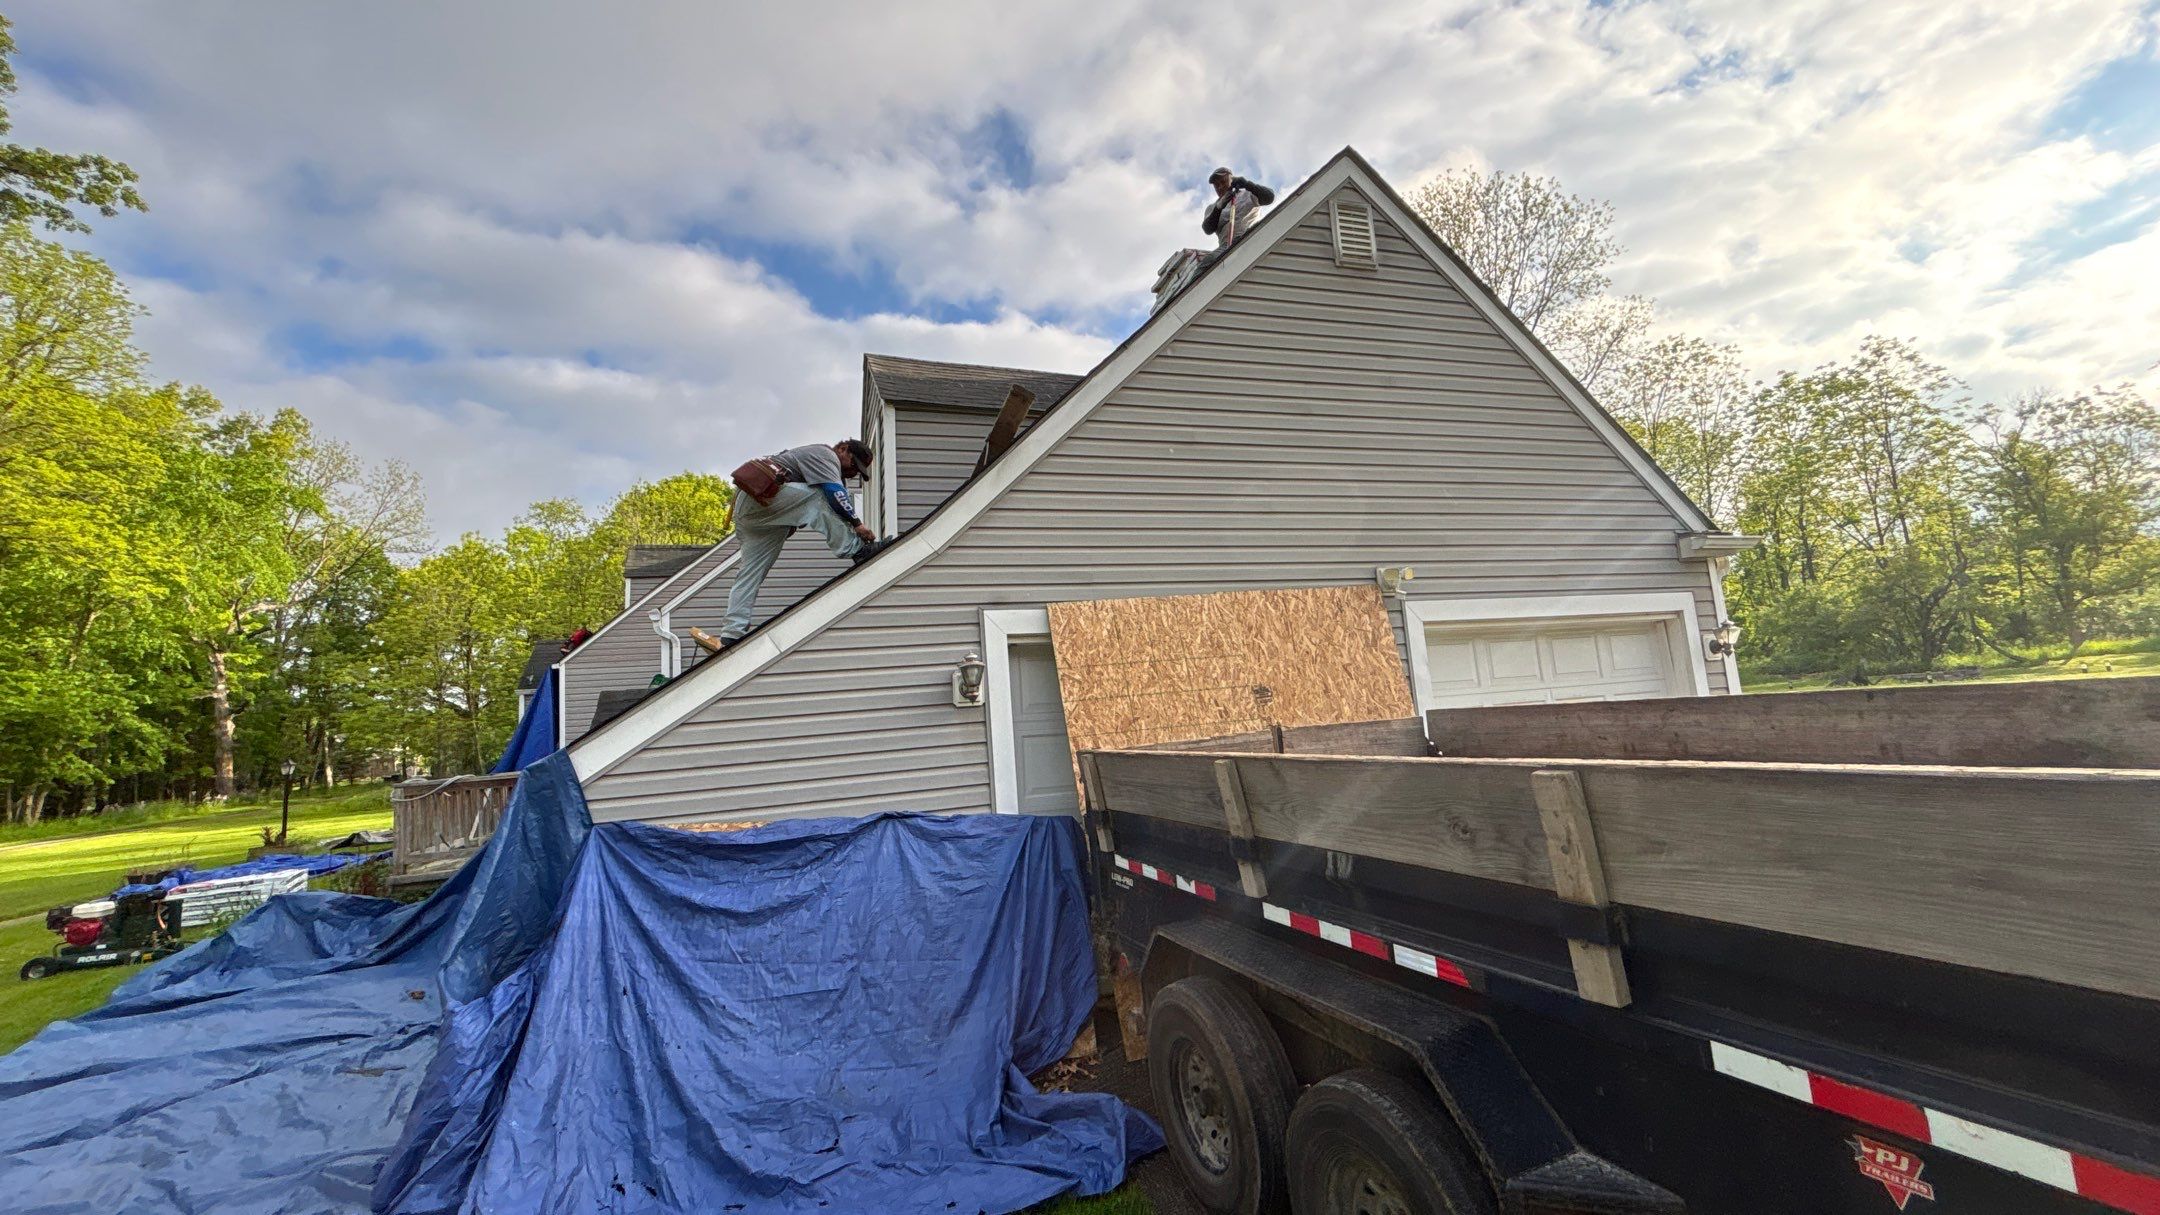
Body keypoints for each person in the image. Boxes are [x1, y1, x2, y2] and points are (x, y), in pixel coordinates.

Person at [720, 438, 886, 647]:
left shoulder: (822, 465)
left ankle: (731, 633)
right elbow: (834, 494)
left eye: (858, 472)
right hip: (760, 495)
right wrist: (858, 525)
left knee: (751, 572)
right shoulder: (826, 455)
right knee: (818, 497)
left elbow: (835, 508)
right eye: (854, 465)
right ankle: (859, 551)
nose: (853, 473)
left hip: (754, 513)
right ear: (843, 449)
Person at [1200, 167, 1275, 256]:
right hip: (1227, 246)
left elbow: (1270, 197)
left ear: (1232, 179)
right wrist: (1218, 208)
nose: (1220, 187)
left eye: (1223, 182)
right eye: (1216, 185)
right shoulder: (1212, 207)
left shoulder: (1248, 194)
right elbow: (1207, 229)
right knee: (1209, 260)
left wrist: (1247, 184)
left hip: (1249, 236)